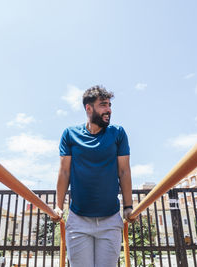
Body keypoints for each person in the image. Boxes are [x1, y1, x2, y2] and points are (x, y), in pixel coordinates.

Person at [54, 85, 135, 267]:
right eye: (103, 105)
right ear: (88, 108)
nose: (109, 110)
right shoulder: (70, 134)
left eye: (109, 105)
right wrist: (58, 206)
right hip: (78, 220)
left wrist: (128, 206)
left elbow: (124, 171)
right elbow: (64, 171)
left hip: (110, 220)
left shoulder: (118, 133)